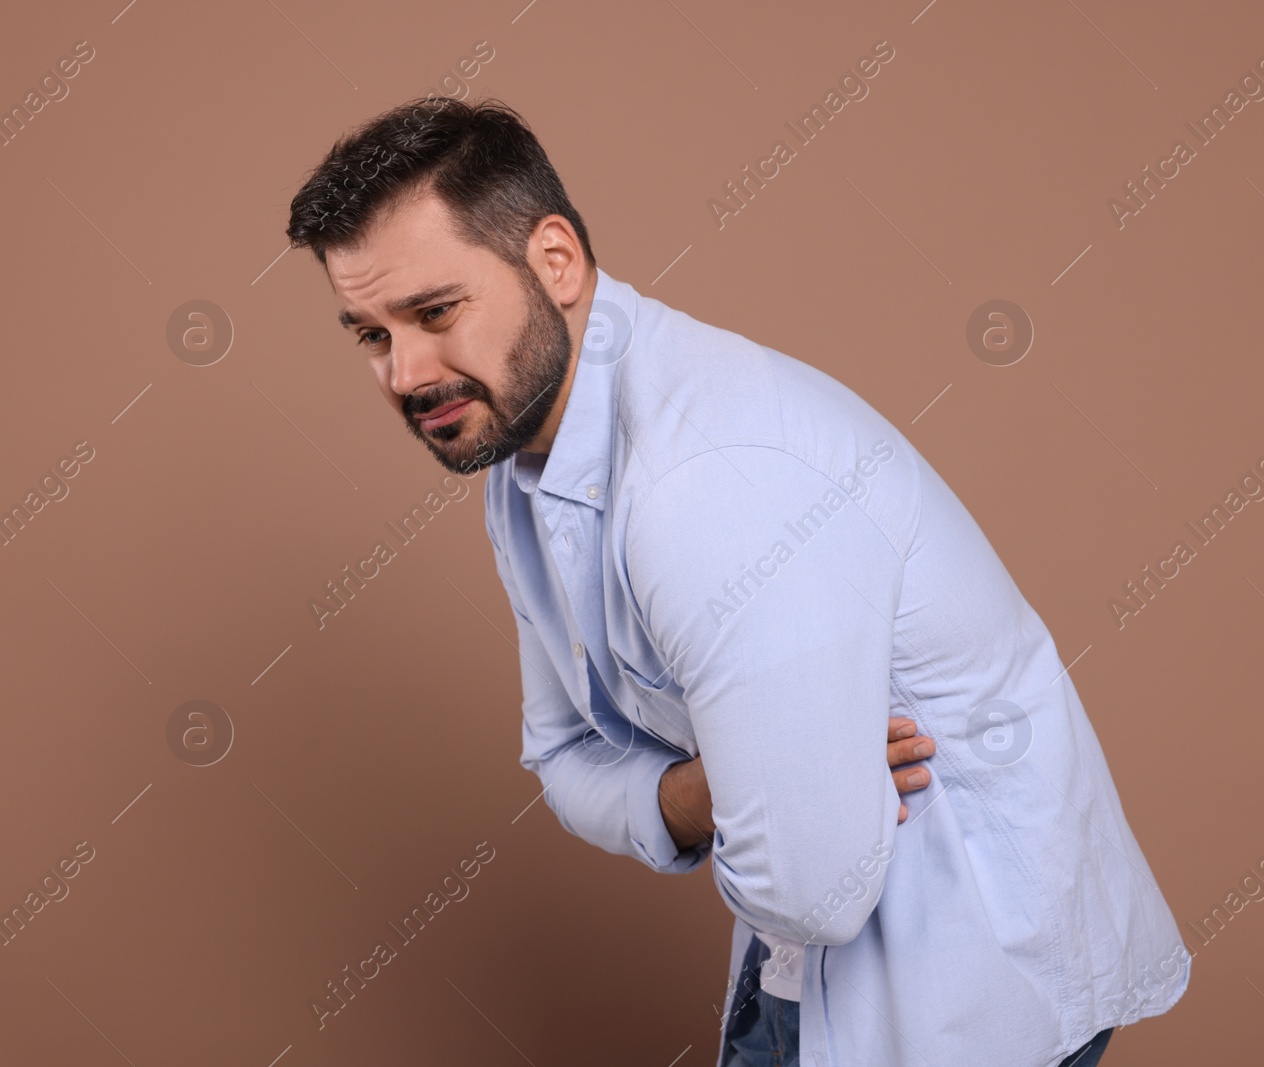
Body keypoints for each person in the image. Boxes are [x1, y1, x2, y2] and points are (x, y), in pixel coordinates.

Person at [286, 96, 1189, 1067]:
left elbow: (812, 884)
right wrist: (724, 787)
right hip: (794, 972)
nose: (407, 371)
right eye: (370, 335)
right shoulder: (522, 467)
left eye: (434, 311)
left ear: (555, 261)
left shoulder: (709, 477)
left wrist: (761, 804)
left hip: (967, 991)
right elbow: (556, 756)